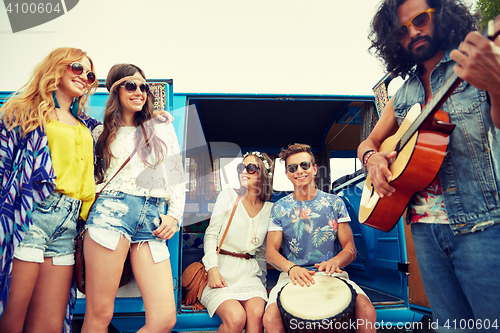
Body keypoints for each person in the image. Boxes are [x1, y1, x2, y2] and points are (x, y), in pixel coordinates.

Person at [360, 0, 500, 331]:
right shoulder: (404, 92)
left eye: (420, 19)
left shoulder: (474, 65)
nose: (413, 32)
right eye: (401, 30)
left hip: (482, 226)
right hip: (424, 230)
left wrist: (495, 84)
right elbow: (369, 142)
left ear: (442, 15)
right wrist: (373, 158)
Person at [0, 47, 100, 333]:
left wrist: (154, 121)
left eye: (90, 74)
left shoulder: (85, 124)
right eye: (77, 68)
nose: (84, 77)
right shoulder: (24, 111)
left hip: (68, 225)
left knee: (48, 325)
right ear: (56, 67)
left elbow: (121, 133)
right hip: (31, 217)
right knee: (10, 319)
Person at [81, 63, 185, 333]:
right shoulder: (99, 133)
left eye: (143, 86)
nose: (139, 91)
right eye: (131, 85)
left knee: (164, 319)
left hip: (152, 218)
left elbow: (176, 174)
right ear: (115, 90)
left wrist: (174, 214)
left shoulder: (161, 127)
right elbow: (91, 179)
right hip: (109, 213)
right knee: (99, 313)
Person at [263, 143, 376, 333]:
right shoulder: (279, 208)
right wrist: (291, 268)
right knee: (270, 318)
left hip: (333, 273)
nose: (299, 171)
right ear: (288, 174)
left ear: (314, 169)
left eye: (304, 165)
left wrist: (336, 262)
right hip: (292, 275)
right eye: (292, 168)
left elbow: (350, 249)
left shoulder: (335, 203)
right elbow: (271, 253)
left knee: (367, 311)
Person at [201, 151, 273, 333]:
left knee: (257, 315)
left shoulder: (271, 209)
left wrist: (263, 283)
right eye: (241, 167)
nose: (244, 172)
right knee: (236, 318)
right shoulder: (228, 196)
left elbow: (262, 251)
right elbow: (211, 235)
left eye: (250, 168)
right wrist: (212, 269)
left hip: (250, 274)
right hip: (221, 271)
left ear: (263, 173)